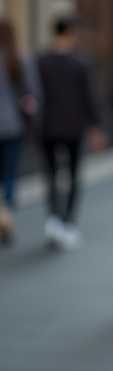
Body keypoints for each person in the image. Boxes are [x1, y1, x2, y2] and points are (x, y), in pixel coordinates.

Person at [37, 16, 104, 251]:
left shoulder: (42, 60)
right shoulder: (82, 61)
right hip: (74, 126)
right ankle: (68, 223)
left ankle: (54, 219)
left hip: (48, 126)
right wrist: (96, 126)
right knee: (73, 175)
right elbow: (90, 96)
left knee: (52, 175)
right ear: (72, 32)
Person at [0, 18, 40, 246]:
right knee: (9, 173)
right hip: (13, 126)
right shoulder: (21, 59)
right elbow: (32, 95)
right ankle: (6, 212)